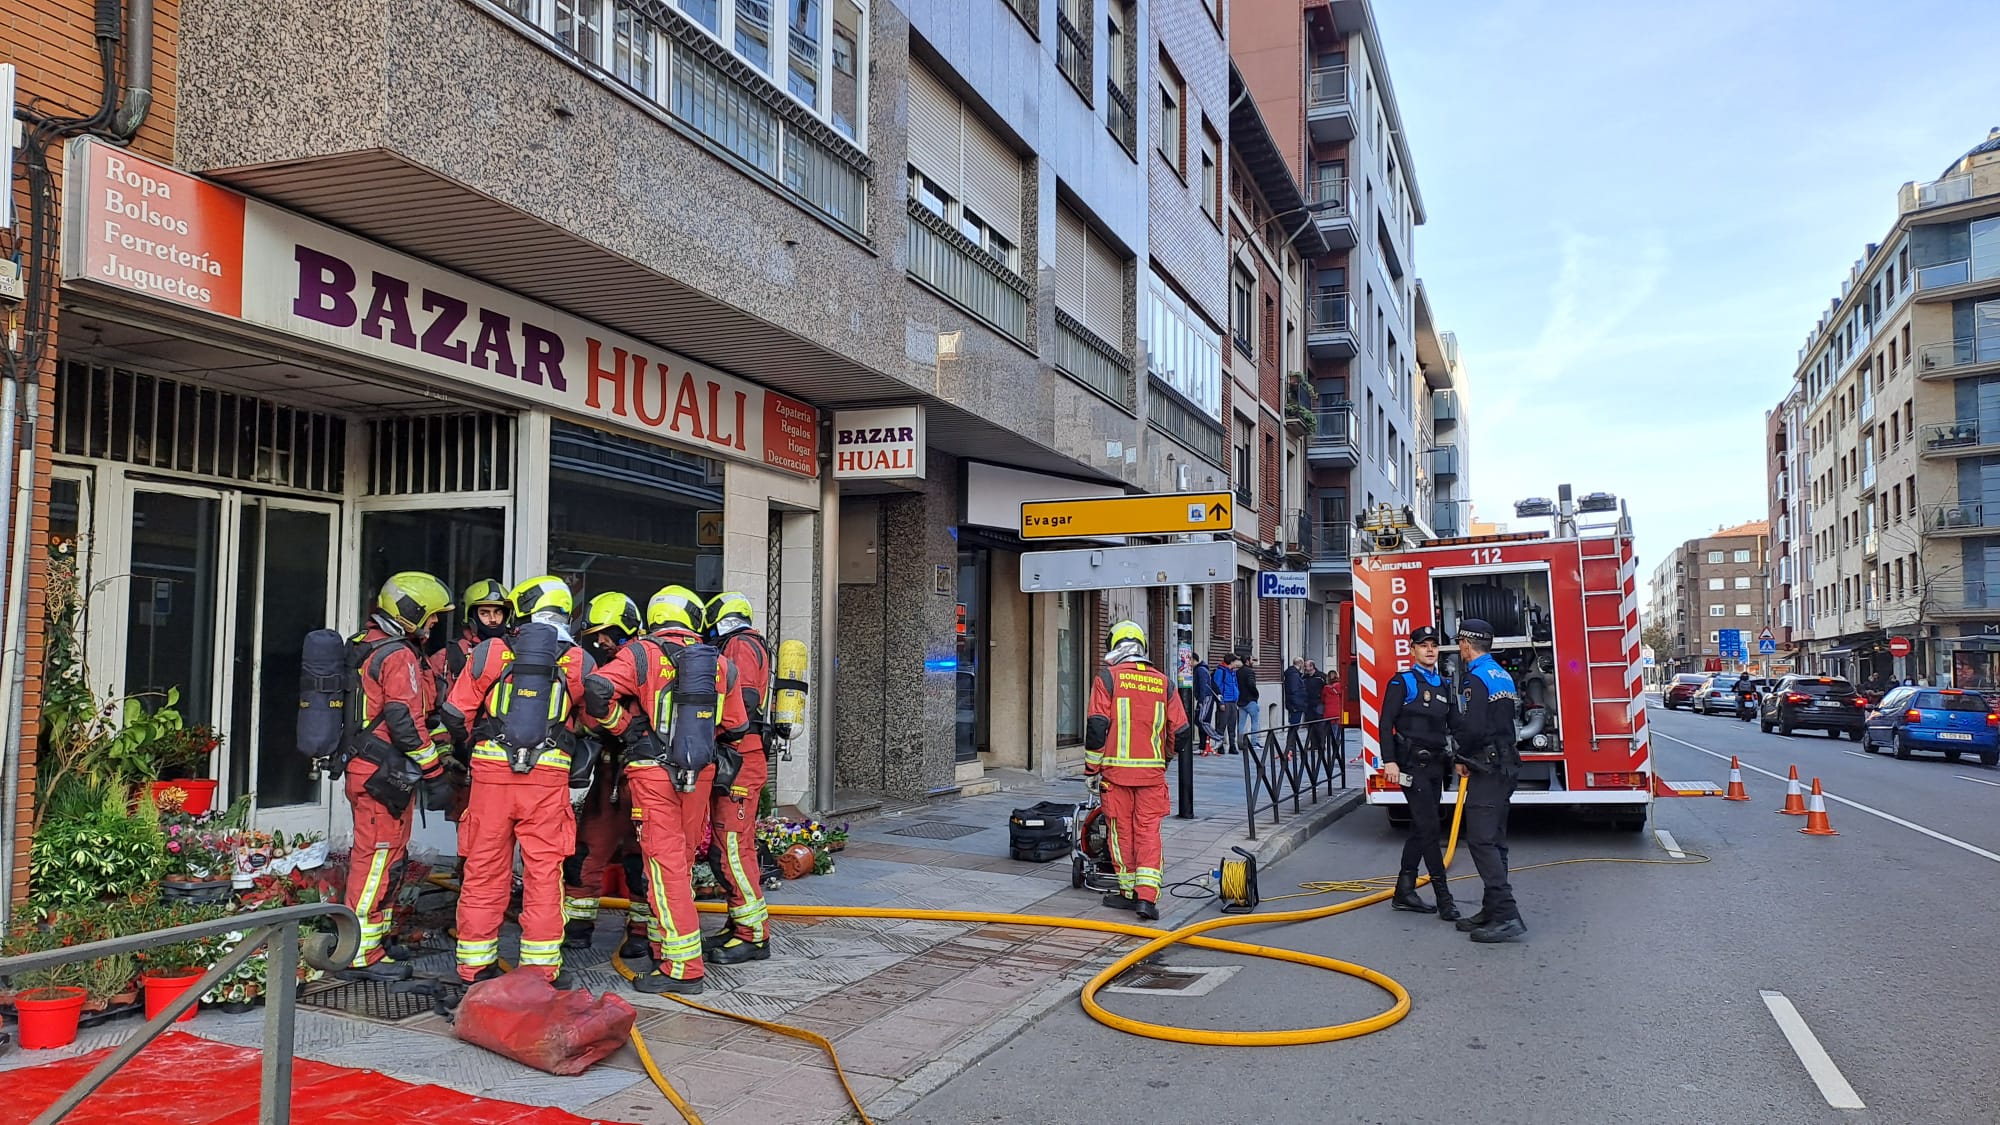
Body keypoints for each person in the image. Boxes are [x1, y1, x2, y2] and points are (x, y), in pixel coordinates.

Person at [582, 585, 748, 994]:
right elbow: (738, 727)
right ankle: (663, 944)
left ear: (655, 617)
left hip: (652, 772)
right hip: (699, 773)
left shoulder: (640, 653)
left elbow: (597, 690)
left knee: (663, 865)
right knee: (680, 865)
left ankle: (682, 966)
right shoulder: (721, 663)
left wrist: (626, 727)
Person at [441, 575, 599, 986]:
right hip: (547, 779)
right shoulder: (578, 660)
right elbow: (594, 721)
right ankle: (540, 972)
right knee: (544, 873)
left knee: (482, 871)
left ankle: (474, 967)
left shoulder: (492, 650)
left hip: (491, 777)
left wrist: (473, 747)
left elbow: (455, 714)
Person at [340, 572, 456, 982]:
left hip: (377, 771)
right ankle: (357, 953)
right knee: (375, 863)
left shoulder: (368, 645)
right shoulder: (398, 656)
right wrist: (434, 770)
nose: (436, 622)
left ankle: (377, 939)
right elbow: (405, 719)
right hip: (379, 774)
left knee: (389, 860)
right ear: (412, 613)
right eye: (432, 615)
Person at [563, 592, 651, 959]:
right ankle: (578, 927)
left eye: (605, 633)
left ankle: (642, 932)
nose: (600, 641)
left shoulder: (646, 664)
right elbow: (589, 716)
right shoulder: (611, 669)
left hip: (642, 777)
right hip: (609, 774)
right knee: (586, 852)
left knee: (639, 858)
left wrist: (621, 727)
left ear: (625, 628)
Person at [1084, 620, 1191, 922]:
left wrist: (1092, 769)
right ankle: (1147, 898)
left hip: (1116, 775)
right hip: (1152, 776)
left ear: (1113, 646)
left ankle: (1127, 891)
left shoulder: (1108, 678)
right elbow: (1181, 731)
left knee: (1121, 832)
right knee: (1148, 832)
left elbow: (1097, 726)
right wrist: (1165, 757)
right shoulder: (1164, 682)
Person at [703, 591, 776, 966]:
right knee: (726, 849)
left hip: (741, 761)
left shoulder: (741, 645)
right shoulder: (745, 643)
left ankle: (753, 936)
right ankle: (739, 924)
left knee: (733, 849)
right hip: (739, 759)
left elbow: (741, 701)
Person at [1449, 619, 1526, 943]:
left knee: (1482, 841)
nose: (1460, 649)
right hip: (1505, 765)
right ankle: (1492, 909)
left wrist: (1460, 757)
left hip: (1488, 767)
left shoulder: (1476, 677)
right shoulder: (1500, 673)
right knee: (1495, 840)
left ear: (1467, 644)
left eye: (1460, 643)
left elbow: (1474, 727)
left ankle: (1507, 914)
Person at [1377, 626, 1459, 921]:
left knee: (1421, 826)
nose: (1429, 650)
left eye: (1434, 645)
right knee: (1430, 830)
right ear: (1412, 649)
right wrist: (1390, 762)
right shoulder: (1403, 682)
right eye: (1423, 645)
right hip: (1411, 766)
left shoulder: (1444, 685)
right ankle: (1444, 897)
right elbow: (1386, 723)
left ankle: (1404, 891)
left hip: (1437, 765)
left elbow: (1453, 725)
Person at [428, 578, 510, 838]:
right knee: (468, 823)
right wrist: (444, 751)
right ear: (471, 615)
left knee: (500, 825)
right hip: (461, 751)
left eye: (498, 612)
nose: (493, 619)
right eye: (485, 613)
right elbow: (435, 708)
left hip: (502, 751)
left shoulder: (517, 652)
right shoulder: (448, 657)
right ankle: (466, 873)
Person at [1212, 655, 1239, 754]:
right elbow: (1217, 687)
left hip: (1233, 701)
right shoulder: (1221, 671)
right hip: (1225, 701)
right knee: (1221, 725)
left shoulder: (1233, 672)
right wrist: (1221, 702)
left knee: (1232, 725)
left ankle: (1232, 746)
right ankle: (1220, 746)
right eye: (1235, 661)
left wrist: (1237, 697)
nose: (1237, 663)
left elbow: (1235, 685)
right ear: (1231, 662)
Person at [1191, 653, 1217, 754]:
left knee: (1200, 720)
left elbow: (1203, 686)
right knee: (1200, 720)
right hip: (1205, 697)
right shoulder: (1202, 669)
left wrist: (1201, 700)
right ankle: (1203, 746)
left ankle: (1216, 736)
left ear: (1193, 660)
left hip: (1205, 698)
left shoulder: (1200, 670)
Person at [1233, 655, 1261, 745]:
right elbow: (1251, 685)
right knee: (1255, 722)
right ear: (1247, 661)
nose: (1253, 661)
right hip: (1250, 700)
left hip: (1241, 701)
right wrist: (1256, 694)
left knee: (1241, 723)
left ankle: (1241, 743)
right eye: (1252, 659)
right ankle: (1254, 742)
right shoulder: (1250, 672)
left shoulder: (1238, 672)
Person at [1283, 659, 1309, 727]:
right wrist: (1298, 705)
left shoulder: (1293, 674)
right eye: (1303, 664)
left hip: (1295, 704)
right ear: (1300, 663)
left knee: (1294, 725)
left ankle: (1292, 737)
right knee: (1294, 726)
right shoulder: (1294, 675)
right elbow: (1294, 690)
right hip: (1296, 705)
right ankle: (1292, 738)